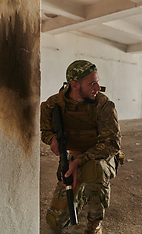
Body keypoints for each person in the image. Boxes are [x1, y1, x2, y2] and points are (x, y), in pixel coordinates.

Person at [40, 60, 123, 234]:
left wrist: (79, 161)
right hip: (72, 157)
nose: (98, 87)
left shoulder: (103, 105)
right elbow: (45, 131)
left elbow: (112, 143)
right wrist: (52, 139)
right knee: (55, 222)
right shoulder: (52, 105)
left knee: (95, 172)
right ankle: (82, 195)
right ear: (75, 85)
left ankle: (95, 224)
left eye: (97, 81)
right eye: (92, 83)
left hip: (100, 157)